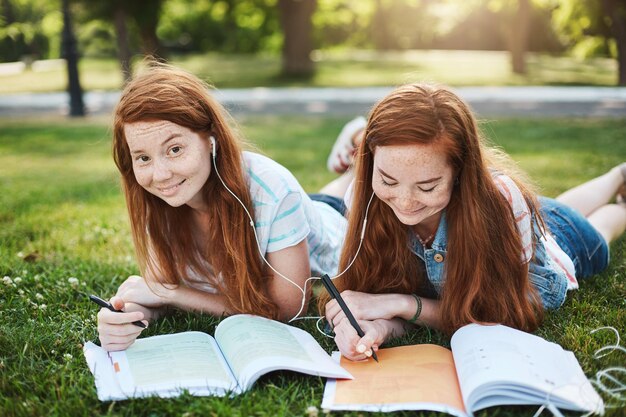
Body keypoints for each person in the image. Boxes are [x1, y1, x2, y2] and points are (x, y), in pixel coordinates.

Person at [319, 83, 626, 361]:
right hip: (530, 220)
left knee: (599, 230)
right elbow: (371, 297)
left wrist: (403, 304)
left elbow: (513, 311)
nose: (405, 200)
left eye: (427, 186)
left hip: (562, 242)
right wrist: (376, 328)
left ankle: (618, 177)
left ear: (461, 173)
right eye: (388, 180)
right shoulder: (364, 198)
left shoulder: (501, 203)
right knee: (556, 208)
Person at [97, 61, 347, 351]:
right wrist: (127, 315)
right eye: (143, 158)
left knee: (346, 193)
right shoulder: (161, 198)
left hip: (333, 220)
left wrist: (173, 293)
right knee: (328, 191)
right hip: (299, 211)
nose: (160, 174)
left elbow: (289, 310)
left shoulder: (273, 189)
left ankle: (358, 144)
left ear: (211, 139)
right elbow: (157, 294)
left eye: (175, 149)